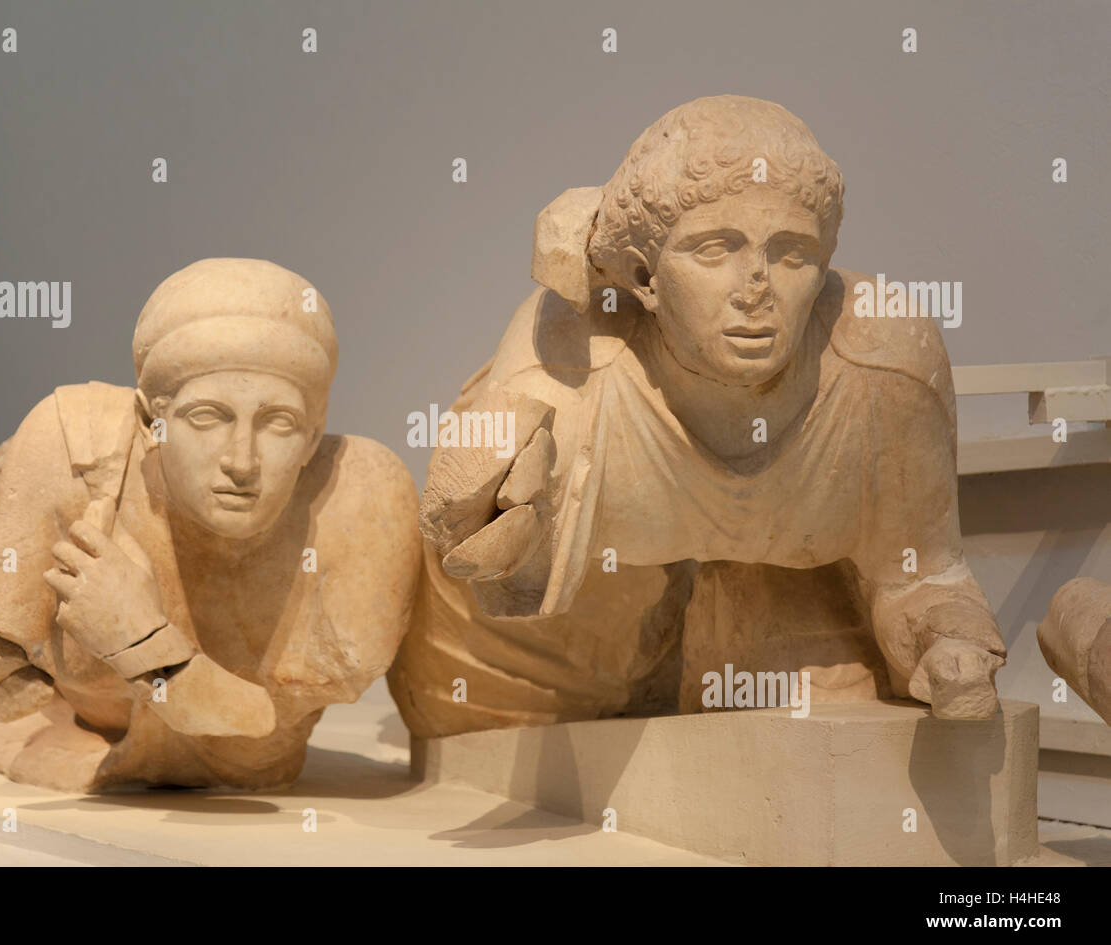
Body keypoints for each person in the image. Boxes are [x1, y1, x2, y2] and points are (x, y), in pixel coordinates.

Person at [390, 96, 1006, 737]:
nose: (755, 287)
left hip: (776, 618)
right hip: (567, 671)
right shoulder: (575, 357)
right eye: (715, 250)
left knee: (819, 709)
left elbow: (924, 574)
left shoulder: (882, 368)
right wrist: (497, 504)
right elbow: (490, 551)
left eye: (792, 254)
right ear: (644, 277)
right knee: (523, 705)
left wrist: (950, 648)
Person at [0, 258, 420, 790]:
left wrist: (137, 637)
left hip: (128, 702)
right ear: (152, 423)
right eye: (207, 417)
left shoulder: (361, 503)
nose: (242, 461)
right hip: (18, 514)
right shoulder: (74, 457)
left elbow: (259, 743)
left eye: (278, 422)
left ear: (313, 436)